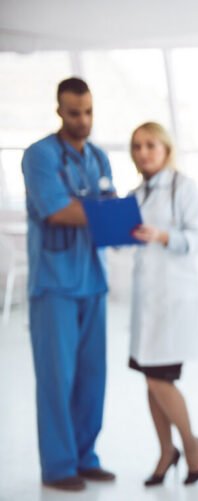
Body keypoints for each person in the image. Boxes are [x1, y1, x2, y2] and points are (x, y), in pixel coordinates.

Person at [21, 77, 116, 491]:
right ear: (60, 111)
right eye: (75, 113)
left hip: (92, 281)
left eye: (89, 111)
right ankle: (59, 467)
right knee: (57, 379)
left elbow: (111, 215)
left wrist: (99, 212)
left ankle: (85, 456)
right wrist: (104, 212)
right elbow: (57, 211)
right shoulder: (39, 156)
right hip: (55, 285)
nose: (83, 120)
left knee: (93, 377)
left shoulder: (97, 157)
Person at [128, 122, 198, 486]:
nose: (143, 152)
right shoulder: (137, 194)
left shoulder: (183, 187)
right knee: (150, 381)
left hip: (175, 299)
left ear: (166, 148)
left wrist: (162, 236)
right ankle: (165, 451)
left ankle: (191, 447)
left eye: (150, 145)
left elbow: (197, 237)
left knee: (162, 382)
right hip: (149, 300)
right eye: (137, 146)